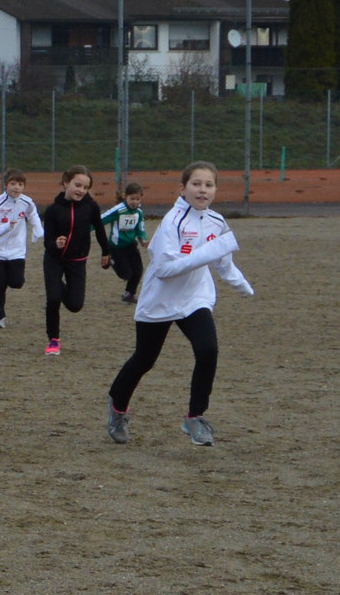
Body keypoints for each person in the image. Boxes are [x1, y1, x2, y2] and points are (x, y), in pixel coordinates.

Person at [106, 161, 252, 446]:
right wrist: (209, 252)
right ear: (183, 189)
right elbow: (165, 270)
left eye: (209, 185)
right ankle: (117, 408)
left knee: (208, 350)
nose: (203, 190)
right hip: (160, 300)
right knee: (144, 360)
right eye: (196, 184)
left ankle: (195, 417)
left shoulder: (217, 221)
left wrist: (241, 283)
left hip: (194, 298)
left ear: (215, 190)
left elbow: (223, 260)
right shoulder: (172, 222)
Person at [36, 166, 100, 358]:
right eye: (77, 185)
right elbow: (47, 241)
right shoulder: (53, 210)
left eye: (85, 187)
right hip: (54, 259)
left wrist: (106, 252)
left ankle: (57, 285)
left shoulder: (91, 207)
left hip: (77, 260)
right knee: (53, 298)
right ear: (66, 183)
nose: (81, 190)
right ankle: (53, 339)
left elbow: (99, 229)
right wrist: (55, 243)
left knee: (75, 305)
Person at [0, 172, 43, 330]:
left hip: (16, 251)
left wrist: (38, 230)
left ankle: (2, 284)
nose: (16, 187)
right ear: (6, 185)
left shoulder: (27, 202)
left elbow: (33, 215)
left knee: (17, 282)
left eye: (20, 184)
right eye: (13, 184)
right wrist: (6, 227)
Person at [99, 181, 149, 306]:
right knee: (126, 274)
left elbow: (140, 229)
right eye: (132, 199)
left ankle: (129, 294)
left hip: (131, 245)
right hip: (116, 247)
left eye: (137, 199)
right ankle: (110, 259)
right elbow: (101, 220)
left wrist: (143, 239)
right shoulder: (119, 210)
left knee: (138, 271)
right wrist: (84, 229)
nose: (135, 202)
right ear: (126, 197)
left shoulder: (139, 213)